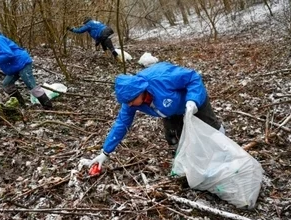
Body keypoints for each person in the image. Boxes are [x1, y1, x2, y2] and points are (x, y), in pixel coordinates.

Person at [87, 61, 225, 170]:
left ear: (140, 92)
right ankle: (187, 167)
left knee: (211, 128)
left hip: (192, 101)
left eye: (130, 101)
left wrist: (192, 100)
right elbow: (121, 124)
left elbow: (192, 78)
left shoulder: (162, 78)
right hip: (170, 113)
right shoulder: (132, 102)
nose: (129, 105)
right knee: (174, 139)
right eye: (127, 102)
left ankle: (224, 154)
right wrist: (105, 152)